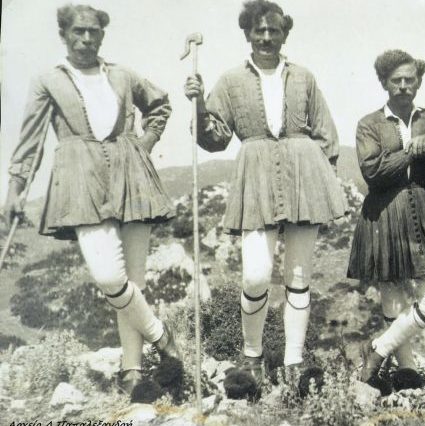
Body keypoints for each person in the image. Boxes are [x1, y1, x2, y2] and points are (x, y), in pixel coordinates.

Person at [3, 4, 181, 397]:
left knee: (134, 279)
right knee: (109, 277)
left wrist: (144, 144)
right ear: (64, 35)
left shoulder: (122, 74)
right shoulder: (47, 80)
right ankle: (161, 336)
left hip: (132, 177)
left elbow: (160, 105)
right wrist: (15, 188)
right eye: (77, 31)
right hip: (80, 180)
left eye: (93, 32)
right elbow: (30, 141)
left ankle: (132, 371)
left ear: (102, 35)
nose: (86, 39)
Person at [183, 0, 347, 394]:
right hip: (255, 178)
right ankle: (251, 355)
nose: (267, 37)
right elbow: (214, 138)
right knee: (256, 274)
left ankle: (293, 362)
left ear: (285, 33)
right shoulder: (230, 81)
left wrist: (321, 183)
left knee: (298, 276)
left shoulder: (304, 77)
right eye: (260, 30)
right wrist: (200, 103)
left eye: (274, 30)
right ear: (248, 34)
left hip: (304, 178)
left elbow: (326, 135)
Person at [347, 49, 425, 389]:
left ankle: (378, 349)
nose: (403, 86)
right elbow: (373, 171)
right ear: (384, 83)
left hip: (424, 212)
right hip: (384, 214)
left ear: (418, 82)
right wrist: (411, 150)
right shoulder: (369, 124)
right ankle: (407, 371)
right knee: (393, 295)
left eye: (409, 79)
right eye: (395, 80)